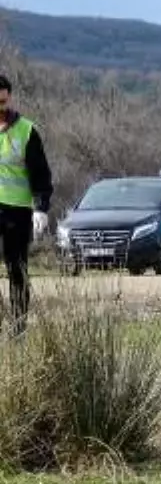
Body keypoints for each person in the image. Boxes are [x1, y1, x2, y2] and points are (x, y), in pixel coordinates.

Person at [0, 74, 53, 334]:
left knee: (16, 270)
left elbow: (40, 173)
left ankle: (19, 326)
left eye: (2, 99)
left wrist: (41, 207)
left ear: (8, 97)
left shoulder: (26, 130)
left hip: (16, 212)